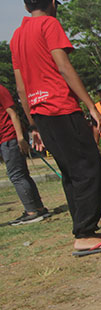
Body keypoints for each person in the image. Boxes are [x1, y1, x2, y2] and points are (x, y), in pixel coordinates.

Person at [11, 0, 101, 256]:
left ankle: (85, 230)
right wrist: (91, 107)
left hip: (40, 113)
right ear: (52, 4)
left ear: (27, 6)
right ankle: (84, 234)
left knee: (72, 173)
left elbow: (21, 86)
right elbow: (63, 66)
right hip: (61, 107)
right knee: (90, 169)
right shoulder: (48, 24)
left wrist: (32, 123)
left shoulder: (17, 36)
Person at [0, 83, 49, 225]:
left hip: (10, 137)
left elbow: (13, 113)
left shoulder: (1, 90)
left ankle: (32, 211)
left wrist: (20, 137)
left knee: (16, 175)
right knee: (21, 174)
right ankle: (38, 208)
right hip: (4, 140)